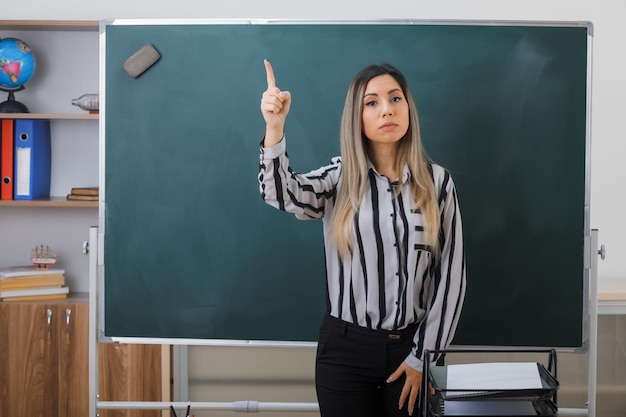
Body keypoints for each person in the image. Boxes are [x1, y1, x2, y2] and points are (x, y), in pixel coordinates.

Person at [258, 59, 466, 417]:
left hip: (412, 351)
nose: (386, 109)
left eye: (395, 98)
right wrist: (274, 128)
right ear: (357, 117)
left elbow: (451, 278)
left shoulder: (438, 184)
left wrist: (423, 356)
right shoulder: (339, 179)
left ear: (408, 109)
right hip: (345, 354)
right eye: (372, 102)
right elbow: (281, 193)